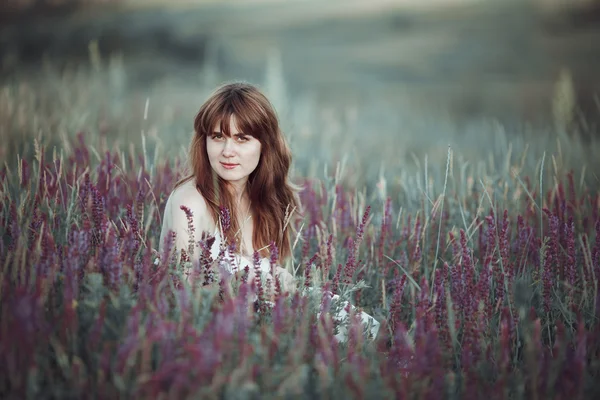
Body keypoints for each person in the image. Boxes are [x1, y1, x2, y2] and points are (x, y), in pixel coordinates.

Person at [159, 81, 379, 341]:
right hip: (225, 332)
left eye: (242, 138)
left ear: (265, 144)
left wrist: (280, 282)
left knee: (373, 333)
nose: (228, 151)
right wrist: (254, 283)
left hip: (269, 316)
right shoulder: (190, 202)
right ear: (204, 141)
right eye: (218, 137)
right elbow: (181, 292)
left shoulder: (265, 200)